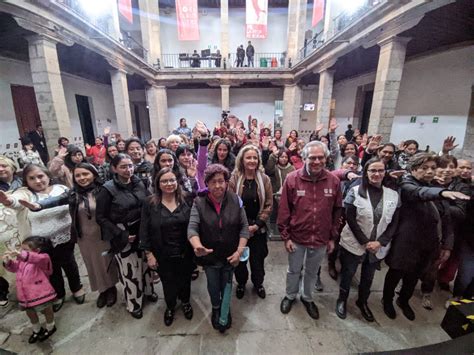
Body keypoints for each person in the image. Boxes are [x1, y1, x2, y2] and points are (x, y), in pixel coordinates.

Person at [382, 153, 469, 321]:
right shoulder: (407, 184)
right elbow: (420, 192)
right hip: (406, 241)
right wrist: (442, 193)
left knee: (413, 276)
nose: (430, 171)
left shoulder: (436, 188)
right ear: (413, 169)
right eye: (425, 168)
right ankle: (387, 301)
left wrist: (447, 246)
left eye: (433, 168)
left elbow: (447, 221)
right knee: (395, 273)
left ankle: (403, 300)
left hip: (429, 243)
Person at [20, 163, 119, 309]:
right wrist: (38, 206)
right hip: (84, 237)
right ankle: (102, 291)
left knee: (105, 262)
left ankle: (111, 289)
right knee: (91, 264)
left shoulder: (103, 190)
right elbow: (55, 200)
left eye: (85, 174)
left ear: (94, 174)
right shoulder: (74, 193)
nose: (81, 178)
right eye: (78, 175)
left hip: (102, 235)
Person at [0, 164, 85, 312]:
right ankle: (59, 294)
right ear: (26, 181)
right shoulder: (26, 194)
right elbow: (16, 200)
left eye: (40, 176)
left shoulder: (61, 189)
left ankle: (76, 288)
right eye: (32, 178)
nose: (38, 181)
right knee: (51, 270)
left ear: (47, 176)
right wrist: (8, 201)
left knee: (70, 264)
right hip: (40, 244)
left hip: (65, 238)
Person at [278, 141, 343, 319]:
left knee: (312, 271)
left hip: (321, 237)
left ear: (326, 158)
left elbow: (337, 210)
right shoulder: (292, 179)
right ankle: (290, 295)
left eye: (320, 157)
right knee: (293, 270)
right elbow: (284, 210)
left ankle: (307, 297)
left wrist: (332, 237)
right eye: (312, 157)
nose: (316, 161)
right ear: (304, 158)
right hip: (297, 237)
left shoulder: (333, 181)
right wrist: (286, 237)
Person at [335, 158, 400, 322]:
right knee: (348, 273)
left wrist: (381, 242)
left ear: (385, 173)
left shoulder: (393, 194)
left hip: (378, 245)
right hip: (355, 241)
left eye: (380, 171)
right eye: (373, 170)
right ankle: (342, 299)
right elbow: (349, 218)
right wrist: (365, 241)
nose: (377, 174)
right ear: (366, 172)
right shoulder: (355, 191)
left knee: (368, 277)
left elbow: (394, 222)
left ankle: (362, 301)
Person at [188, 164, 249, 332]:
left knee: (227, 284)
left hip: (231, 255)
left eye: (221, 181)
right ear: (206, 184)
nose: (217, 186)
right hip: (210, 256)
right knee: (213, 285)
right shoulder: (199, 203)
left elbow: (244, 227)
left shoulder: (236, 200)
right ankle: (216, 307)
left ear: (227, 182)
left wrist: (239, 251)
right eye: (213, 182)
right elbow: (192, 228)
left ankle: (225, 307)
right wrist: (197, 245)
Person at [96, 154, 156, 319]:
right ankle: (134, 303)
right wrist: (121, 234)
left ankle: (149, 292)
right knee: (130, 270)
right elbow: (100, 218)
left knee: (145, 265)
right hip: (123, 234)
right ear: (114, 168)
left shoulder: (139, 182)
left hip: (143, 231)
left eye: (130, 165)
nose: (128, 169)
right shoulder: (107, 189)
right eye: (123, 166)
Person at [140, 168, 194, 326]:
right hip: (162, 253)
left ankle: (185, 302)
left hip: (185, 251)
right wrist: (149, 254)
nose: (169, 184)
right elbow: (144, 230)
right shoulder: (149, 203)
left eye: (172, 180)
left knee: (185, 280)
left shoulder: (187, 199)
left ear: (177, 182)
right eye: (164, 181)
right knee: (168, 282)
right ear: (158, 183)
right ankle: (170, 306)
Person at [229, 145, 273, 299]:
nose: (252, 160)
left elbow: (268, 204)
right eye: (248, 157)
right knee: (240, 261)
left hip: (258, 228)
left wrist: (258, 224)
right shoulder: (234, 178)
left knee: (257, 260)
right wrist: (244, 227)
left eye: (255, 157)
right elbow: (230, 203)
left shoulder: (264, 179)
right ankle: (241, 283)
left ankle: (258, 283)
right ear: (242, 159)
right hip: (239, 228)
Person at [3, 236, 57, 343]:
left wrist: (21, 255)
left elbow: (37, 259)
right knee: (30, 313)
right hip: (25, 296)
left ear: (37, 250)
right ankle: (37, 329)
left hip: (41, 294)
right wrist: (8, 262)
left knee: (46, 310)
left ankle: (50, 326)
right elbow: (15, 268)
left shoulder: (43, 258)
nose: (22, 252)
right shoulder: (22, 261)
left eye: (25, 250)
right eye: (21, 249)